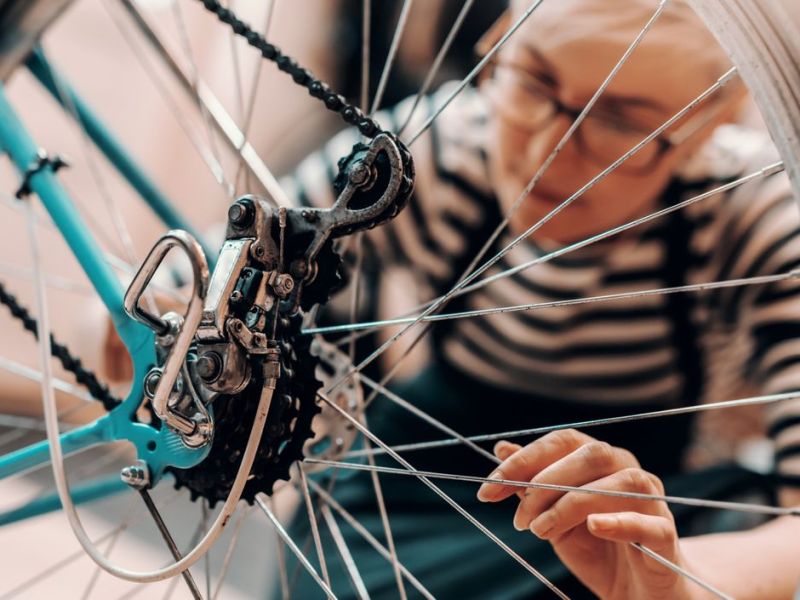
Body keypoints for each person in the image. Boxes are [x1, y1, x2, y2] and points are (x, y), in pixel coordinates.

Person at [101, 0, 800, 597]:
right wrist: (157, 322)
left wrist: (677, 578)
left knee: (735, 513)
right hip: (419, 500)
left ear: (709, 125)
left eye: (621, 120)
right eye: (537, 81)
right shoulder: (440, 151)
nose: (552, 148)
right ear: (495, 51)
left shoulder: (746, 217)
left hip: (620, 513)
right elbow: (233, 271)